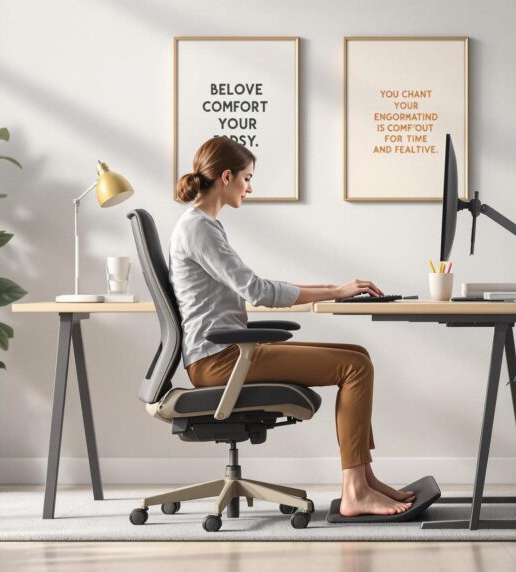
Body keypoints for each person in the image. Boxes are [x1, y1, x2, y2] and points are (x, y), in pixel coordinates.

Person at [169, 136, 413, 517]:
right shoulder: (199, 229)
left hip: (225, 352)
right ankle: (354, 492)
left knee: (357, 355)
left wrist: (337, 290)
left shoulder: (204, 226)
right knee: (355, 368)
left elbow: (255, 288)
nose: (249, 188)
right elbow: (257, 290)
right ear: (227, 176)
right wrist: (334, 291)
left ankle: (364, 479)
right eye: (247, 178)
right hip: (219, 360)